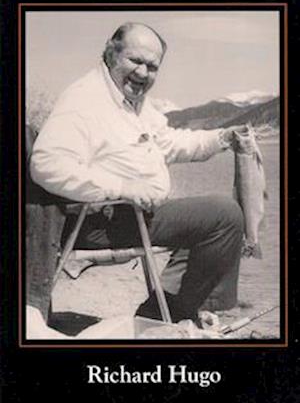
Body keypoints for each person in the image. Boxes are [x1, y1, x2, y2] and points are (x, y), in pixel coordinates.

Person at [27, 22, 245, 338]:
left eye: (152, 66)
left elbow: (167, 142)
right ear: (111, 53)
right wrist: (123, 188)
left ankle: (161, 312)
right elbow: (46, 164)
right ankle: (177, 314)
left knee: (211, 221)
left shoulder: (128, 100)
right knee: (224, 216)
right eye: (136, 61)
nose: (143, 73)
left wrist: (220, 138)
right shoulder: (84, 101)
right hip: (101, 220)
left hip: (133, 215)